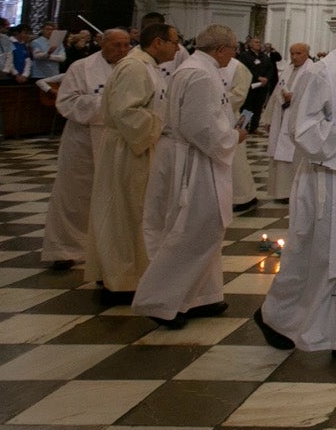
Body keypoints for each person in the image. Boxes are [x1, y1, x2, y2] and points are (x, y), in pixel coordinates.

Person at [255, 14, 336, 366]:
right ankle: (288, 320)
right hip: (327, 180)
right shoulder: (320, 73)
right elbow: (304, 130)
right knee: (315, 257)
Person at [132, 24, 244, 329]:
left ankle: (202, 296)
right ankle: (160, 300)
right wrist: (233, 137)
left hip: (196, 155)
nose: (235, 54)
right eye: (233, 48)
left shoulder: (197, 68)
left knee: (204, 229)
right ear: (220, 49)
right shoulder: (200, 74)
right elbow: (199, 127)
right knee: (194, 230)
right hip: (195, 159)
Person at [85, 21, 180, 305]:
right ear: (158, 43)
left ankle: (131, 273)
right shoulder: (135, 67)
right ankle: (120, 279)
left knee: (134, 211)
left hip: (138, 146)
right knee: (125, 212)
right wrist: (161, 126)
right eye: (174, 42)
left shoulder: (147, 66)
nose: (178, 48)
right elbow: (125, 112)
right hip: (130, 148)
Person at [41, 28, 131, 270]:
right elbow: (67, 102)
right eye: (116, 45)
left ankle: (105, 246)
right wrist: (109, 104)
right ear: (102, 43)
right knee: (74, 194)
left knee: (115, 195)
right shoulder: (82, 68)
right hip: (84, 139)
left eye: (126, 45)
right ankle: (65, 248)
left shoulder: (132, 68)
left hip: (118, 139)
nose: (122, 51)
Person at [265, 43, 312, 202]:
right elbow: (276, 92)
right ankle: (282, 192)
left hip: (299, 121)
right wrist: (268, 118)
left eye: (298, 53)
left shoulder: (313, 70)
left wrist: (296, 97)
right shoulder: (287, 70)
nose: (294, 57)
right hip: (283, 115)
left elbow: (315, 96)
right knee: (281, 154)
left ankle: (295, 191)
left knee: (295, 155)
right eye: (292, 53)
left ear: (306, 54)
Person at [220, 51, 260, 212]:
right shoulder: (211, 67)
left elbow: (239, 95)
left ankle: (244, 196)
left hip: (233, 119)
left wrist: (215, 98)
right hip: (216, 119)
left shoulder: (237, 67)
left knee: (237, 160)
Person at [237, 35, 277, 131]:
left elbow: (271, 68)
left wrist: (267, 78)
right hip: (250, 84)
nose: (258, 44)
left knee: (258, 107)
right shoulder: (245, 56)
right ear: (250, 44)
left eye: (259, 42)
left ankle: (254, 127)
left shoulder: (264, 57)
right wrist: (257, 77)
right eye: (256, 42)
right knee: (247, 106)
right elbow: (245, 69)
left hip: (262, 86)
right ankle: (243, 126)